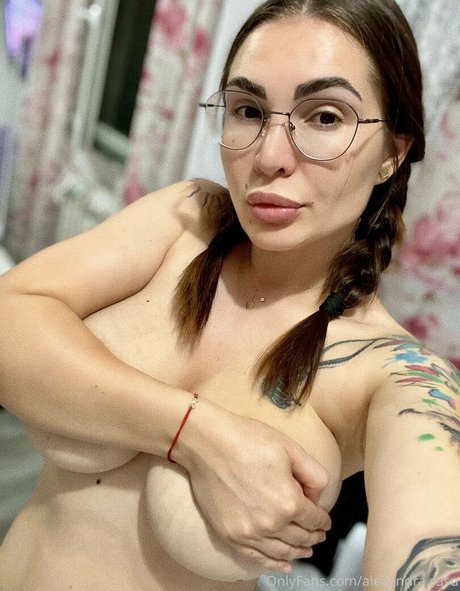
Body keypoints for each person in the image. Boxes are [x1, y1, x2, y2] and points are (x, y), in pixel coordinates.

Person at [0, 0, 459, 589]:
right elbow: (11, 315)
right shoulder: (187, 222)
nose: (268, 158)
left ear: (392, 154)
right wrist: (194, 434)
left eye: (324, 117)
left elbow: (432, 547)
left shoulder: (392, 372)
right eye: (248, 110)